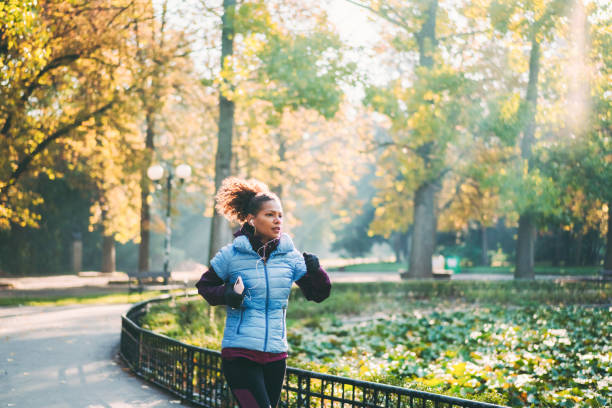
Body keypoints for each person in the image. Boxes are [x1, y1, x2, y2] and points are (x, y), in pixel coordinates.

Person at [196, 177, 331, 408]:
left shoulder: (291, 257)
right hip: (239, 353)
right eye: (270, 215)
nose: (277, 220)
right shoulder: (232, 255)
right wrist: (227, 293)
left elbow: (318, 294)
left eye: (280, 215)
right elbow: (205, 287)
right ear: (251, 219)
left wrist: (316, 270)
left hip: (276, 355)